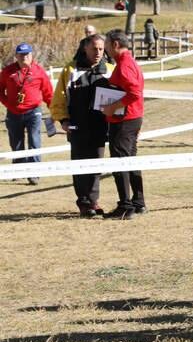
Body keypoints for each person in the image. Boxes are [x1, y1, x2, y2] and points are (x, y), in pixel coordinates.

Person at [51, 34, 115, 217]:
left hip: (100, 127)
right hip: (77, 126)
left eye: (101, 49)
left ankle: (93, 201)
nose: (98, 52)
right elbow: (59, 97)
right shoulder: (70, 69)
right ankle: (84, 202)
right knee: (79, 164)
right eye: (94, 48)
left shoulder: (110, 69)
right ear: (85, 48)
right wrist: (63, 120)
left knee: (96, 165)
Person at [101, 29, 147, 219]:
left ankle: (126, 206)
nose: (105, 50)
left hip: (125, 120)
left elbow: (134, 93)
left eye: (106, 45)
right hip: (132, 118)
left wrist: (113, 107)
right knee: (131, 160)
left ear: (115, 45)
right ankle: (138, 202)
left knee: (120, 161)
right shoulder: (128, 62)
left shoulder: (125, 64)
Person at [0, 42, 53, 185]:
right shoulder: (7, 72)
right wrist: (8, 103)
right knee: (16, 142)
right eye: (21, 54)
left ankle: (34, 173)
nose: (24, 57)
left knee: (34, 141)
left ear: (31, 55)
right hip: (13, 113)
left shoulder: (38, 71)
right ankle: (18, 170)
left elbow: (48, 93)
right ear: (16, 56)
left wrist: (55, 111)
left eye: (27, 54)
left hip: (33, 112)